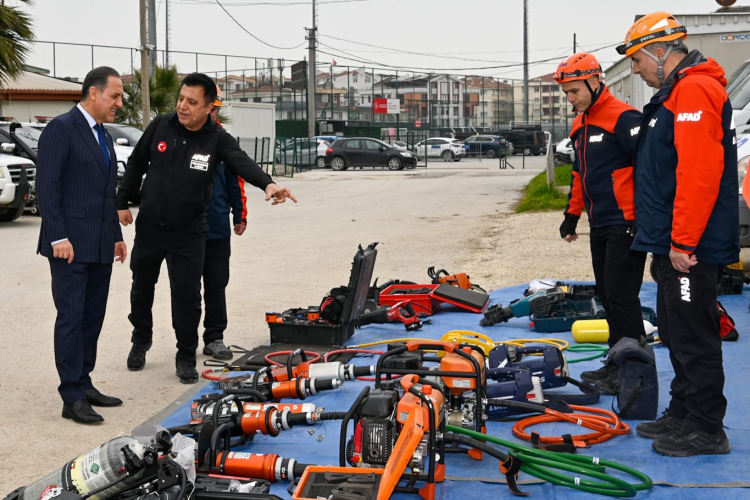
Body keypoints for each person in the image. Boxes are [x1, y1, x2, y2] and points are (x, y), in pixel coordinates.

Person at [116, 73, 296, 384]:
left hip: (189, 232)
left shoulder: (217, 139)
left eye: (192, 102)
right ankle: (141, 338)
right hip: (150, 226)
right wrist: (122, 202)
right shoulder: (161, 125)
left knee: (187, 297)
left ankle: (186, 355)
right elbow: (136, 163)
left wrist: (268, 184)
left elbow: (242, 162)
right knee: (141, 287)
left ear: (209, 107)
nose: (182, 106)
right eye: (181, 99)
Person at [616, 11, 739, 456]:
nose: (636, 70)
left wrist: (684, 242)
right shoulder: (676, 92)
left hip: (691, 244)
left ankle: (706, 427)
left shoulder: (695, 90)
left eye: (637, 60)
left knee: (693, 335)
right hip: (672, 239)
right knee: (673, 328)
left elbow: (698, 173)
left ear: (659, 53)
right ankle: (685, 410)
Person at [36, 66, 127, 424]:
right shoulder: (62, 128)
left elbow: (107, 193)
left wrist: (116, 236)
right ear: (93, 93)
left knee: (92, 318)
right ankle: (71, 395)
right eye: (115, 96)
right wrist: (57, 236)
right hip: (69, 245)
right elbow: (47, 187)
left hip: (100, 243)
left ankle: (84, 381)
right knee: (72, 319)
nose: (119, 103)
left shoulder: (102, 133)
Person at [553, 53, 647, 388]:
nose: (571, 98)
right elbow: (580, 174)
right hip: (600, 224)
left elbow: (650, 169)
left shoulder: (624, 118)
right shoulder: (580, 123)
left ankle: (633, 371)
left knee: (622, 298)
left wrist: (649, 218)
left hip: (626, 223)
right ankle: (617, 362)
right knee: (607, 297)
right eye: (566, 93)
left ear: (595, 82)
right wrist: (571, 216)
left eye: (575, 91)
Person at [200, 87, 247, 360]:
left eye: (215, 108)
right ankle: (185, 345)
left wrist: (239, 214)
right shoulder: (179, 137)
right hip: (184, 229)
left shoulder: (224, 141)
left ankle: (214, 337)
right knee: (186, 290)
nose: (211, 113)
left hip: (216, 226)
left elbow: (235, 180)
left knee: (216, 285)